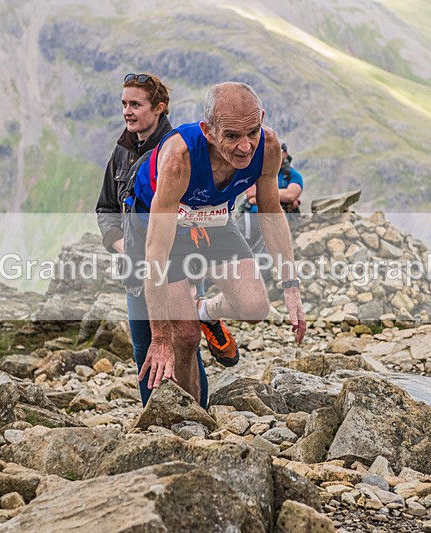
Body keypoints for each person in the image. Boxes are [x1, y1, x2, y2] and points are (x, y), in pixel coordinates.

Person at [123, 82, 306, 399]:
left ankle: (204, 310)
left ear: (262, 119)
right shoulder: (180, 159)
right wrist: (161, 337)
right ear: (208, 131)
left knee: (255, 307)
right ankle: (194, 417)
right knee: (185, 336)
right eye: (232, 136)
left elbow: (271, 214)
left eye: (253, 131)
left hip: (213, 218)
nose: (246, 147)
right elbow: (156, 252)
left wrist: (291, 288)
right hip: (160, 227)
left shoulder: (268, 147)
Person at [94, 72, 209, 408]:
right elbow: (106, 208)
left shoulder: (178, 152)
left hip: (178, 267)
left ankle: (197, 416)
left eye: (135, 104)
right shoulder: (121, 152)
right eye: (124, 104)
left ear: (159, 108)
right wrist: (122, 246)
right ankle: (154, 419)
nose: (127, 111)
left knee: (184, 343)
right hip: (136, 271)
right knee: (145, 350)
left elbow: (198, 212)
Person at [240, 142, 303, 255]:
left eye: (277, 152)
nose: (273, 156)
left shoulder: (294, 176)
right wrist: (281, 197)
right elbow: (251, 197)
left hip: (275, 220)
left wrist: (262, 194)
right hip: (251, 219)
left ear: (285, 154)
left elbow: (291, 195)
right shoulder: (256, 172)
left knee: (266, 251)